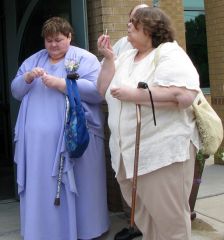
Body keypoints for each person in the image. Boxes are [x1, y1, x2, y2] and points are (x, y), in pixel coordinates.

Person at [97, 7, 200, 240]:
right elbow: (102, 90)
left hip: (160, 155)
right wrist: (108, 57)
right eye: (129, 21)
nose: (129, 26)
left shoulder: (168, 52)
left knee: (171, 224)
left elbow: (183, 95)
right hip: (128, 157)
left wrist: (135, 95)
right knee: (147, 221)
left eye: (135, 23)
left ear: (152, 28)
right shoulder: (124, 57)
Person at [11, 16, 109, 240]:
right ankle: (43, 230)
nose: (53, 45)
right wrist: (26, 78)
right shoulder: (33, 60)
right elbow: (16, 91)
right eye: (48, 41)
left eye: (58, 40)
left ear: (70, 37)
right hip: (38, 147)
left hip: (75, 142)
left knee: (81, 190)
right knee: (42, 190)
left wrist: (63, 84)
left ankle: (85, 230)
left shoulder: (86, 59)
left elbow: (97, 91)